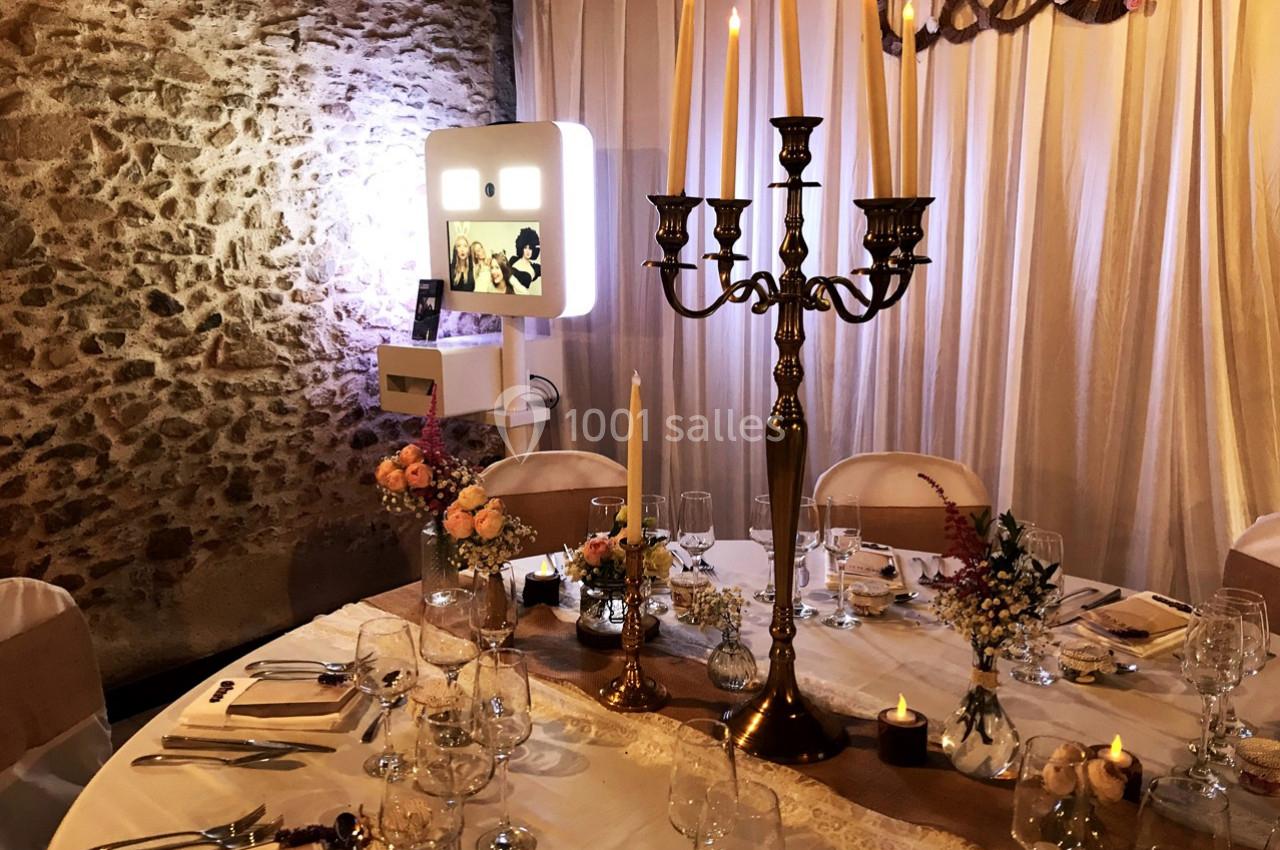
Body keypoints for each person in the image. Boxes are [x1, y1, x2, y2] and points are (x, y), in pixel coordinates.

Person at [510, 227, 541, 293]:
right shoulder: (513, 260)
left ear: (534, 250)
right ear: (521, 247)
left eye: (530, 248)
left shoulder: (535, 268)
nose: (528, 251)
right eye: (525, 248)